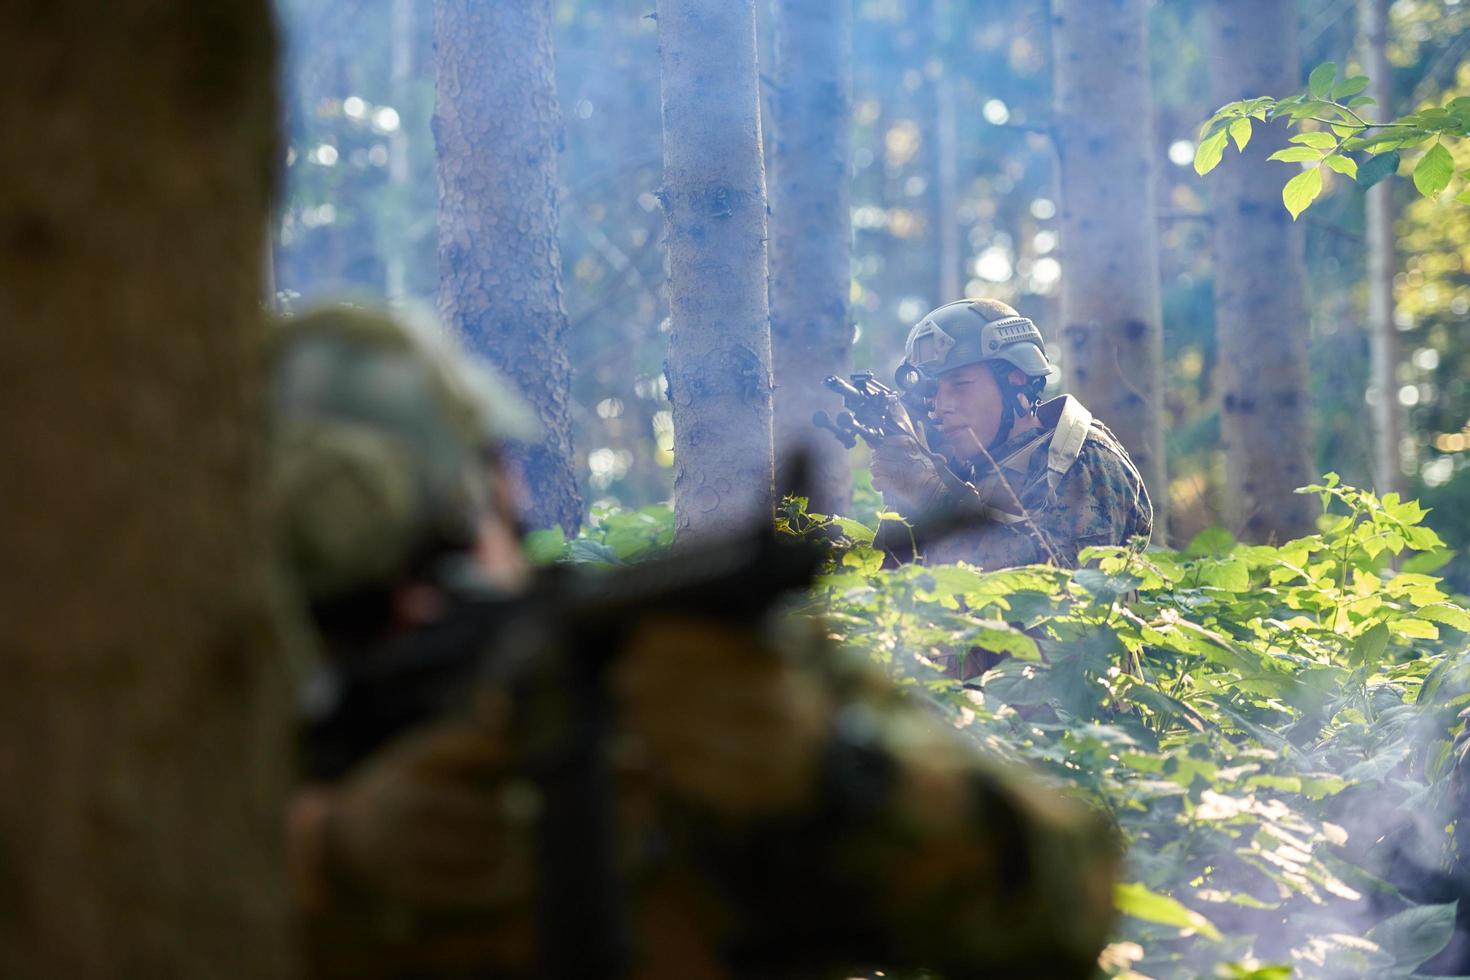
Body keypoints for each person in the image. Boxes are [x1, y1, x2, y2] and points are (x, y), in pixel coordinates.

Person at [271, 303, 1119, 979]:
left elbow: (1066, 904)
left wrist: (836, 778)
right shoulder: (227, 735)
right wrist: (325, 858)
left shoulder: (676, 677)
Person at [871, 298, 1153, 570]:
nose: (942, 407)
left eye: (960, 386)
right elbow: (894, 590)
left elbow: (1060, 589)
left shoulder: (1082, 458)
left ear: (1015, 379)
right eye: (935, 392)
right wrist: (905, 500)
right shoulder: (964, 470)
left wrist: (932, 495)